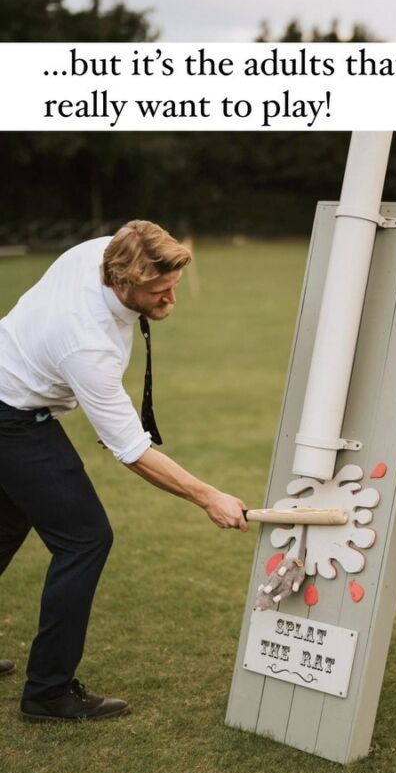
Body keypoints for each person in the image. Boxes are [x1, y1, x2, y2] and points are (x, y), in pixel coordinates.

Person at [0, 220, 248, 722]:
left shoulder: (109, 248)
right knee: (85, 538)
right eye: (158, 290)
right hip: (12, 415)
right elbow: (133, 452)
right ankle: (47, 693)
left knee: (7, 524)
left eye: (174, 283)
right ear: (121, 282)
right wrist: (209, 497)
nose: (170, 298)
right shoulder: (87, 344)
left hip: (11, 383)